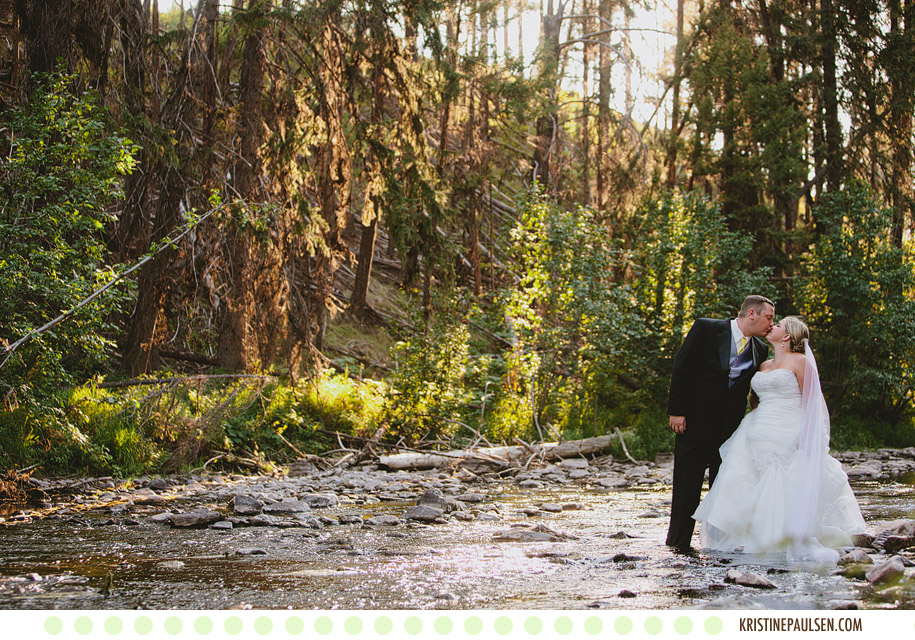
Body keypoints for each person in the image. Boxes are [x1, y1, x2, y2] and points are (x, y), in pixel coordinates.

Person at [692, 316, 865, 563]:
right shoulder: (763, 364)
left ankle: (780, 538)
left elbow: (811, 403)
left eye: (779, 324)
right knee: (743, 479)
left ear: (787, 336)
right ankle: (745, 534)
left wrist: (806, 438)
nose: (773, 325)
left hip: (788, 428)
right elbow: (755, 398)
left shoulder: (801, 362)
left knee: (780, 481)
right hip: (757, 428)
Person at [665, 295, 775, 550]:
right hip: (692, 422)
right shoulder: (707, 328)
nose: (771, 324)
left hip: (729, 430)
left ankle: (716, 545)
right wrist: (676, 411)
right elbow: (683, 367)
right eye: (768, 318)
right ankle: (678, 545)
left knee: (722, 487)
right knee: (686, 487)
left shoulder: (761, 350)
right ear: (751, 314)